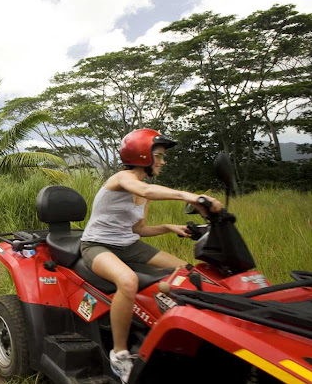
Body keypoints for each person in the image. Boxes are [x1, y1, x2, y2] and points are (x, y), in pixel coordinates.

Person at [79, 128, 222, 383]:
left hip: (128, 244)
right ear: (143, 156)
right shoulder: (123, 178)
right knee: (127, 281)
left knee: (188, 272)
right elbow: (144, 191)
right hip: (97, 245)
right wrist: (189, 196)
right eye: (159, 156)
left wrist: (168, 227)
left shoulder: (144, 191)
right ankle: (119, 354)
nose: (163, 162)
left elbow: (138, 229)